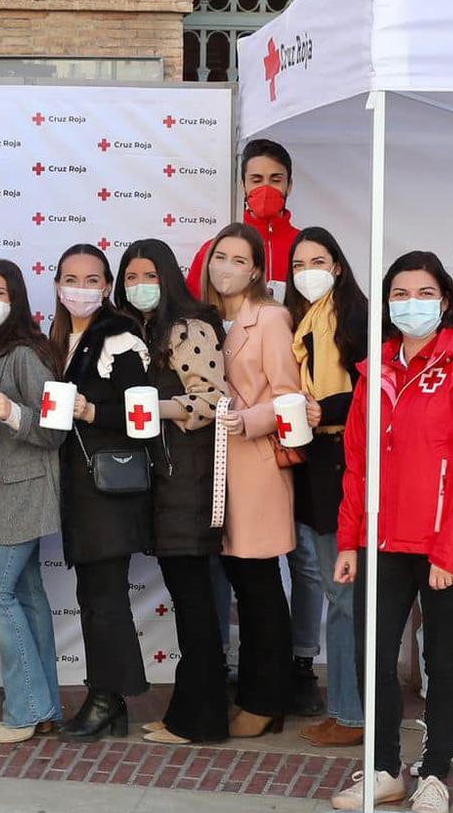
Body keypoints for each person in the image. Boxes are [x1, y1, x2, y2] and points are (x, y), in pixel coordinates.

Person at [330, 251, 453, 813]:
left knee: (444, 658)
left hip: (449, 545)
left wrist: (450, 548)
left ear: (446, 301)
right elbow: (357, 462)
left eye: (424, 293)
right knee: (373, 653)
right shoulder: (373, 370)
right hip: (383, 542)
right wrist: (348, 540)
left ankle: (434, 772)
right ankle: (383, 769)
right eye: (400, 294)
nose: (412, 304)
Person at [118, 239, 232, 746]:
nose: (139, 286)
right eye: (131, 278)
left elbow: (213, 399)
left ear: (167, 277)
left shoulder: (191, 328)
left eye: (149, 276)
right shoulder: (139, 331)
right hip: (161, 482)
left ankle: (202, 721)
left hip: (190, 479)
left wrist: (155, 408)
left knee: (195, 602)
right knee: (189, 601)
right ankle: (185, 712)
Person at [202, 223, 305, 739]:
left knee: (259, 583)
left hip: (257, 466)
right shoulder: (202, 321)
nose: (226, 267)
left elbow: (291, 396)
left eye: (238, 259)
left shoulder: (269, 318)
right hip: (214, 467)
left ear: (257, 270)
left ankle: (267, 698)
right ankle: (253, 690)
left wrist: (253, 420)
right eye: (221, 256)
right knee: (238, 579)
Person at [52, 243, 152, 739]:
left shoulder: (119, 336)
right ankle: (109, 698)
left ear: (107, 287)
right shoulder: (62, 338)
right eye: (71, 278)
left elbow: (143, 418)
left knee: (105, 597)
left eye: (92, 280)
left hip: (109, 492)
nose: (81, 288)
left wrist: (93, 413)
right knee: (92, 595)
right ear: (56, 285)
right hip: (80, 489)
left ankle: (106, 697)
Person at [0, 259, 68, 744]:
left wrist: (13, 413)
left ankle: (27, 709)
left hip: (23, 494)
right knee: (26, 598)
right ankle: (44, 706)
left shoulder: (25, 354)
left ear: (17, 300)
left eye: (0, 292)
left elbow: (54, 429)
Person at [285, 227, 370, 749]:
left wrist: (328, 411)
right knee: (335, 592)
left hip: (344, 462)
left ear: (338, 265)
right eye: (298, 263)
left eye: (318, 260)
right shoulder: (304, 322)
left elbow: (373, 387)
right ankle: (345, 706)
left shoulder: (353, 315)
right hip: (315, 463)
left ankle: (353, 713)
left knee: (344, 597)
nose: (308, 271)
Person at [185, 139, 299, 304]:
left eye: (275, 180)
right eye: (256, 180)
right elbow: (193, 311)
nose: (266, 189)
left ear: (289, 185)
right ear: (243, 186)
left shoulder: (306, 248)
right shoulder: (214, 250)